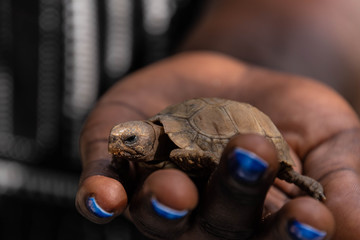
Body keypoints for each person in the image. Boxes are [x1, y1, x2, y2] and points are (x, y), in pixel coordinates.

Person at [76, 1, 360, 239]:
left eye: (129, 140)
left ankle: (299, 179)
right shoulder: (151, 140)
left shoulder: (176, 147)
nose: (117, 144)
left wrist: (253, 63)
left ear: (149, 136)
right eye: (119, 139)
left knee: (282, 174)